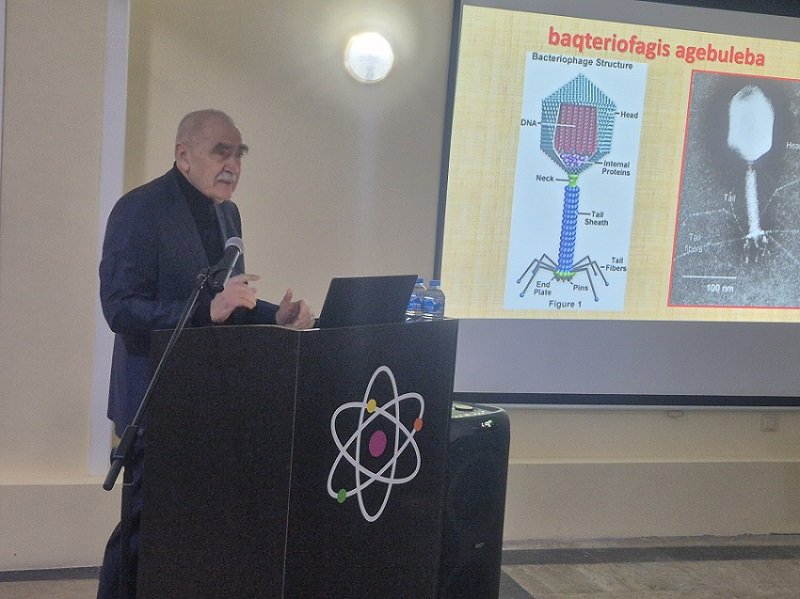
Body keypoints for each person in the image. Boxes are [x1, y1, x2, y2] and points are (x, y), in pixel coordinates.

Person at [96, 109, 315, 598]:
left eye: (239, 155)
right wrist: (204, 310)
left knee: (198, 534)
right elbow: (121, 308)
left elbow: (227, 302)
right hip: (155, 399)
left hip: (213, 400)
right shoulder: (139, 209)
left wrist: (273, 316)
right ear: (183, 155)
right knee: (142, 533)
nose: (233, 165)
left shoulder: (227, 215)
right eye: (221, 152)